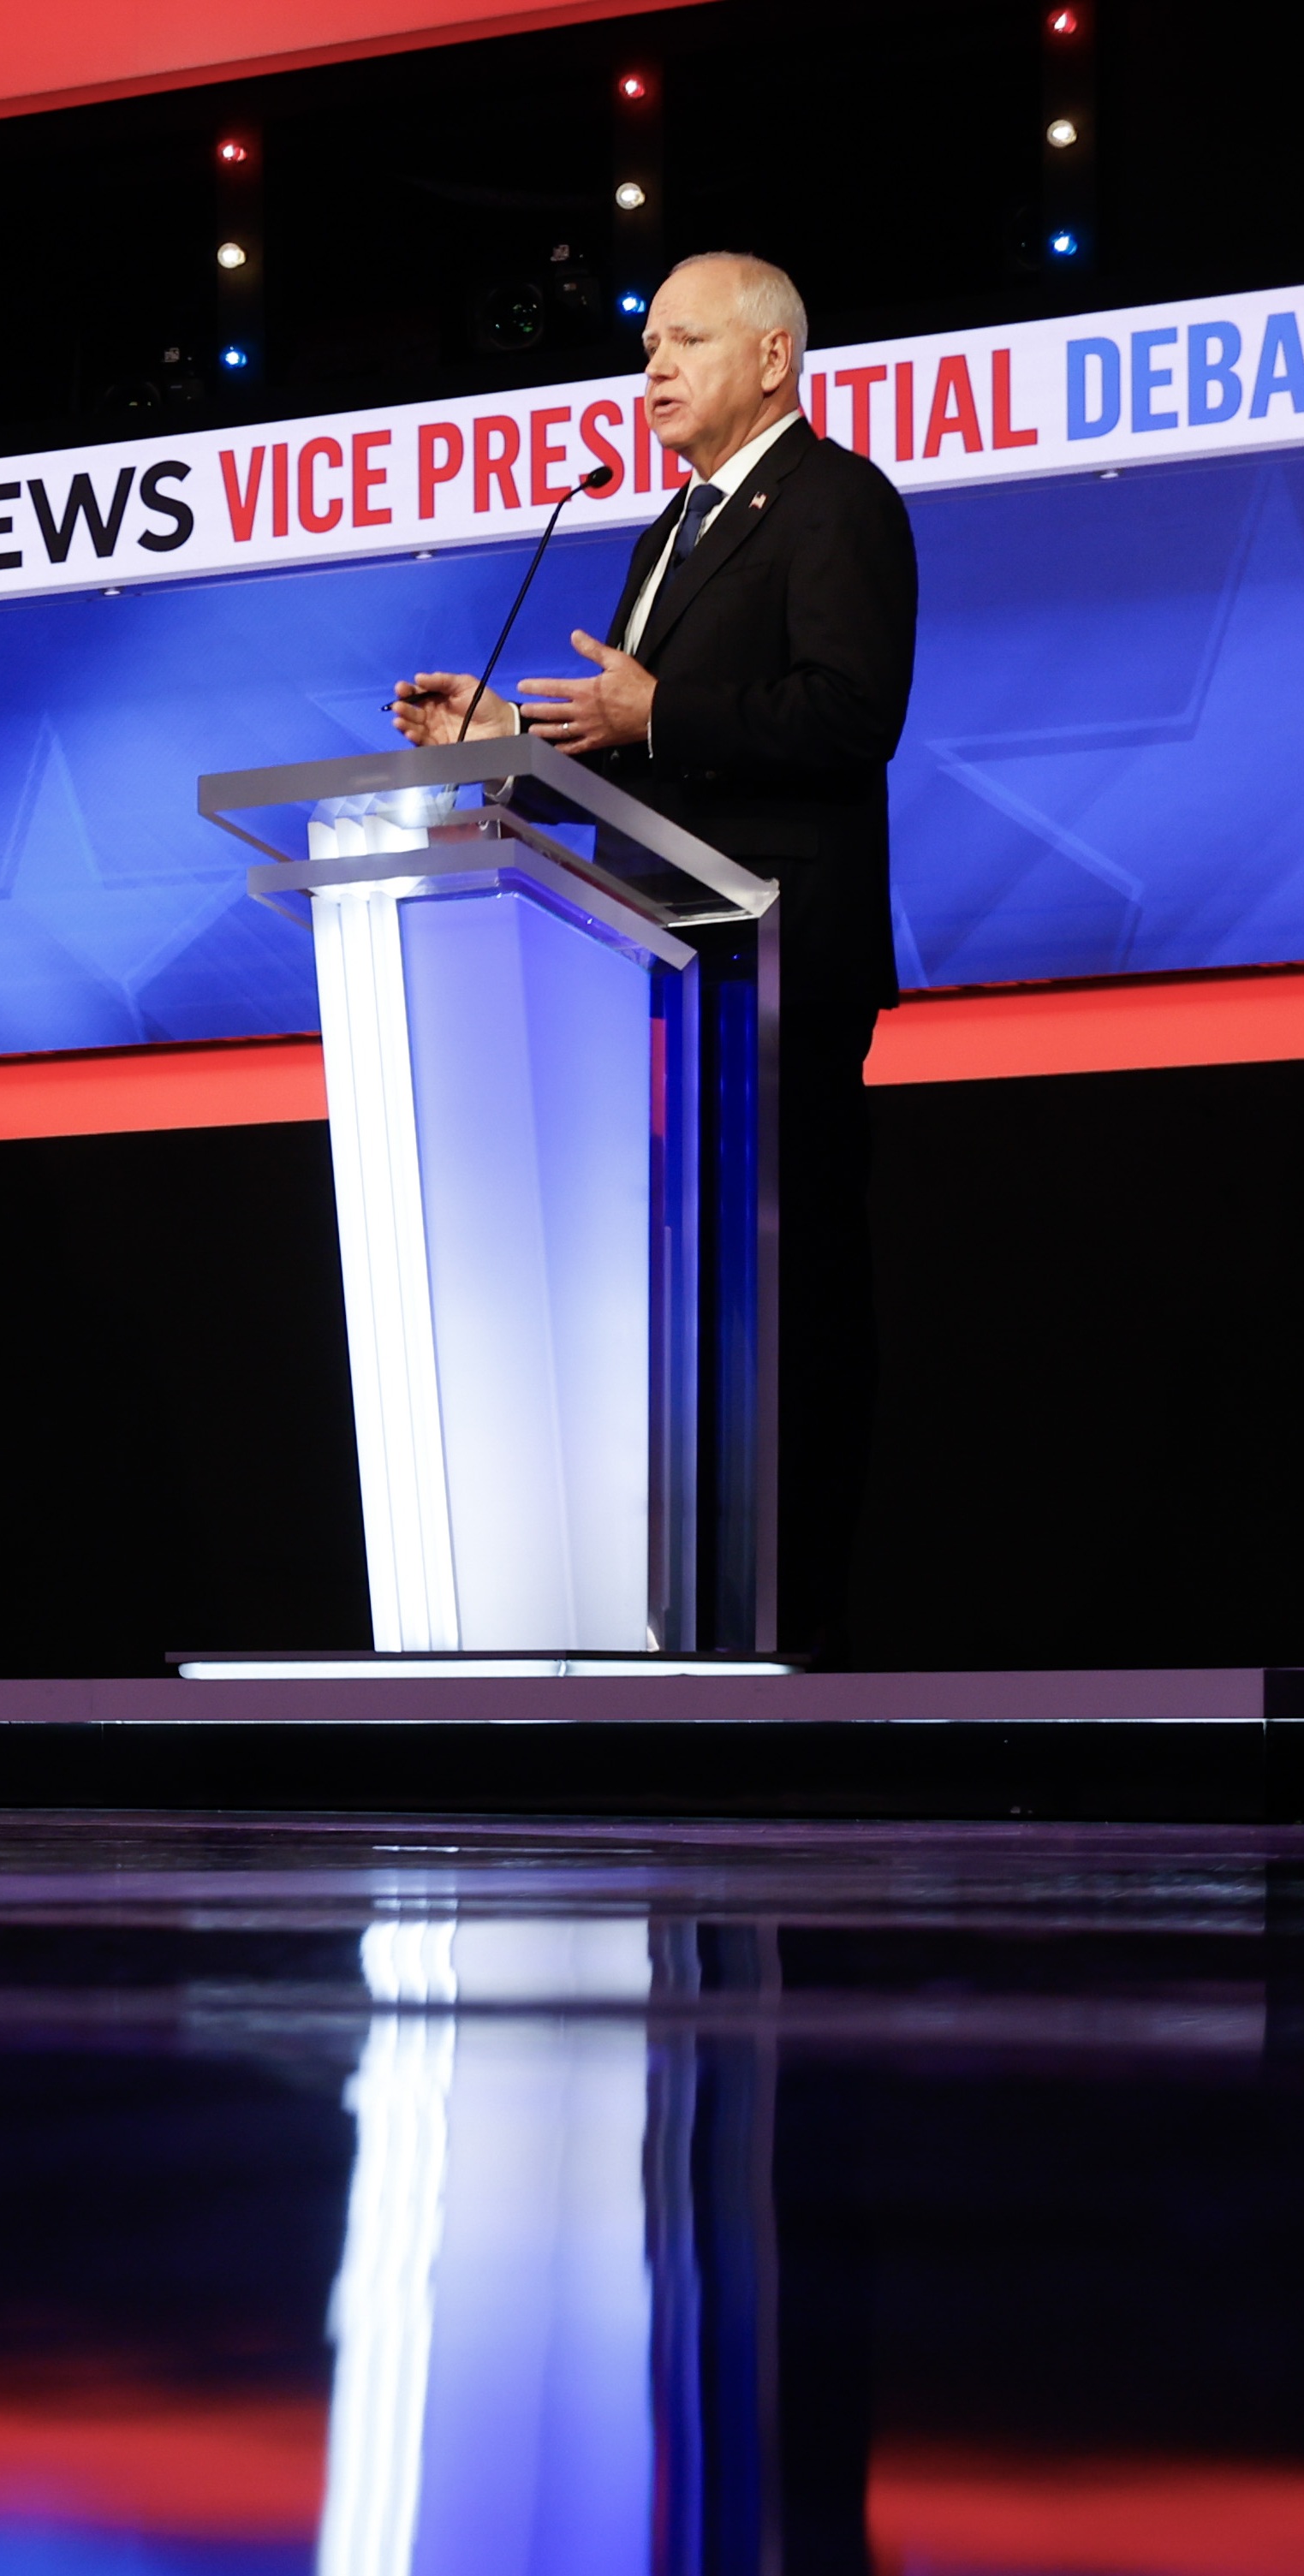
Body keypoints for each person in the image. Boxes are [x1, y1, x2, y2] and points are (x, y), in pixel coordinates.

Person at [392, 253, 920, 1663]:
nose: (651, 368)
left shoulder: (834, 502)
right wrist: (504, 741)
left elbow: (848, 715)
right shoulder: (659, 538)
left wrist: (656, 708)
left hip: (781, 962)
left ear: (771, 359)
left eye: (682, 340)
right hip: (667, 970)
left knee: (789, 1299)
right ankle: (690, 1629)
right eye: (643, 346)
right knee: (689, 1319)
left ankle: (800, 1630)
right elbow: (637, 763)